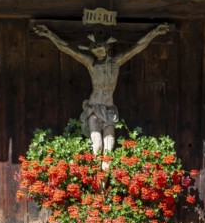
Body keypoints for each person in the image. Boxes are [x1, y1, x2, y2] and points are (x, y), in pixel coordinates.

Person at [33, 23, 171, 164]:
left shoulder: (116, 62)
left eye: (100, 50)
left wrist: (155, 32)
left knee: (108, 151)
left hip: (110, 110)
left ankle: (102, 184)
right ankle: (95, 179)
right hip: (94, 108)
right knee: (97, 147)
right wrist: (48, 33)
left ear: (106, 48)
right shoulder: (91, 63)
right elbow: (67, 49)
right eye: (96, 51)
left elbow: (137, 47)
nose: (98, 53)